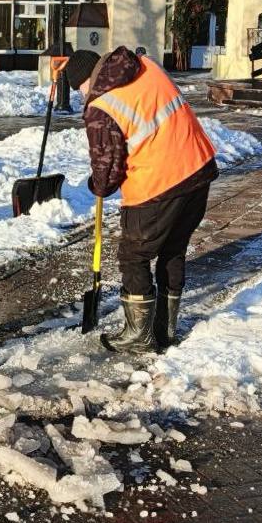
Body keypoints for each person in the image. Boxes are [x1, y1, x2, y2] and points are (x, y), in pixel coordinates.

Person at [68, 46, 217, 354]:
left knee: (134, 255)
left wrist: (97, 185)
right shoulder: (145, 66)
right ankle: (165, 329)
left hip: (158, 183)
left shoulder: (101, 104)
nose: (83, 96)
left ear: (85, 80)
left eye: (79, 89)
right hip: (198, 169)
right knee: (173, 249)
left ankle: (139, 336)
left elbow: (107, 171)